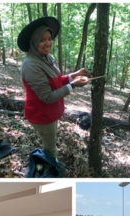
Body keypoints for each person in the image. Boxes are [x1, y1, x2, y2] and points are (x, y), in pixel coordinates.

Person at [18, 17, 89, 159]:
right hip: (42, 114)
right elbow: (48, 97)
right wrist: (73, 85)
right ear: (34, 41)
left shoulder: (47, 58)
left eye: (49, 38)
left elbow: (56, 81)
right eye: (42, 40)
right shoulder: (32, 64)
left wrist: (73, 76)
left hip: (50, 112)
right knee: (50, 148)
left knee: (50, 141)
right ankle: (53, 168)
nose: (48, 43)